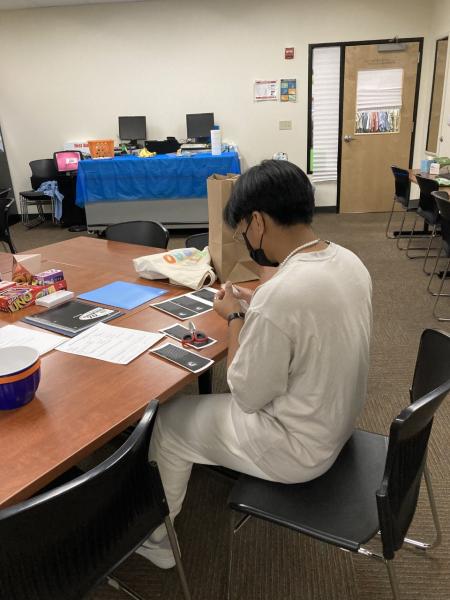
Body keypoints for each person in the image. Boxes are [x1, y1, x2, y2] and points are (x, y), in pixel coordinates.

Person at [136, 159, 372, 568]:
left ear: (258, 221)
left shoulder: (282, 293)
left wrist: (236, 316)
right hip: (336, 419)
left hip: (298, 448)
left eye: (243, 229)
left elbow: (245, 394)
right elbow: (308, 321)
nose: (245, 239)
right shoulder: (349, 261)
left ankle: (158, 541)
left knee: (169, 421)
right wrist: (255, 304)